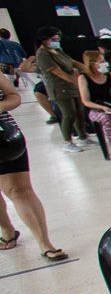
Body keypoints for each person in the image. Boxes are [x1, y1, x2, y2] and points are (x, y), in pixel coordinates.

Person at [0, 73, 68, 261]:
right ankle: (7, 230)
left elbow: (13, 96)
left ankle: (44, 242)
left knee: (19, 189)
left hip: (4, 137)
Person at [34, 27, 94, 152]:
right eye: (54, 38)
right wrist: (76, 82)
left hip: (71, 86)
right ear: (45, 40)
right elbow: (57, 72)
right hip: (59, 88)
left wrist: (87, 70)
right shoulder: (43, 54)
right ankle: (67, 142)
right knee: (69, 114)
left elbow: (71, 62)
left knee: (79, 112)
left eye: (58, 38)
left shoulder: (56, 49)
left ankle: (83, 137)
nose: (57, 40)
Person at [77, 50, 111, 159]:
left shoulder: (110, 75)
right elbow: (86, 101)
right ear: (93, 64)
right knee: (107, 119)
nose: (104, 64)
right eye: (101, 61)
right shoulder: (83, 78)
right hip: (95, 108)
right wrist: (102, 107)